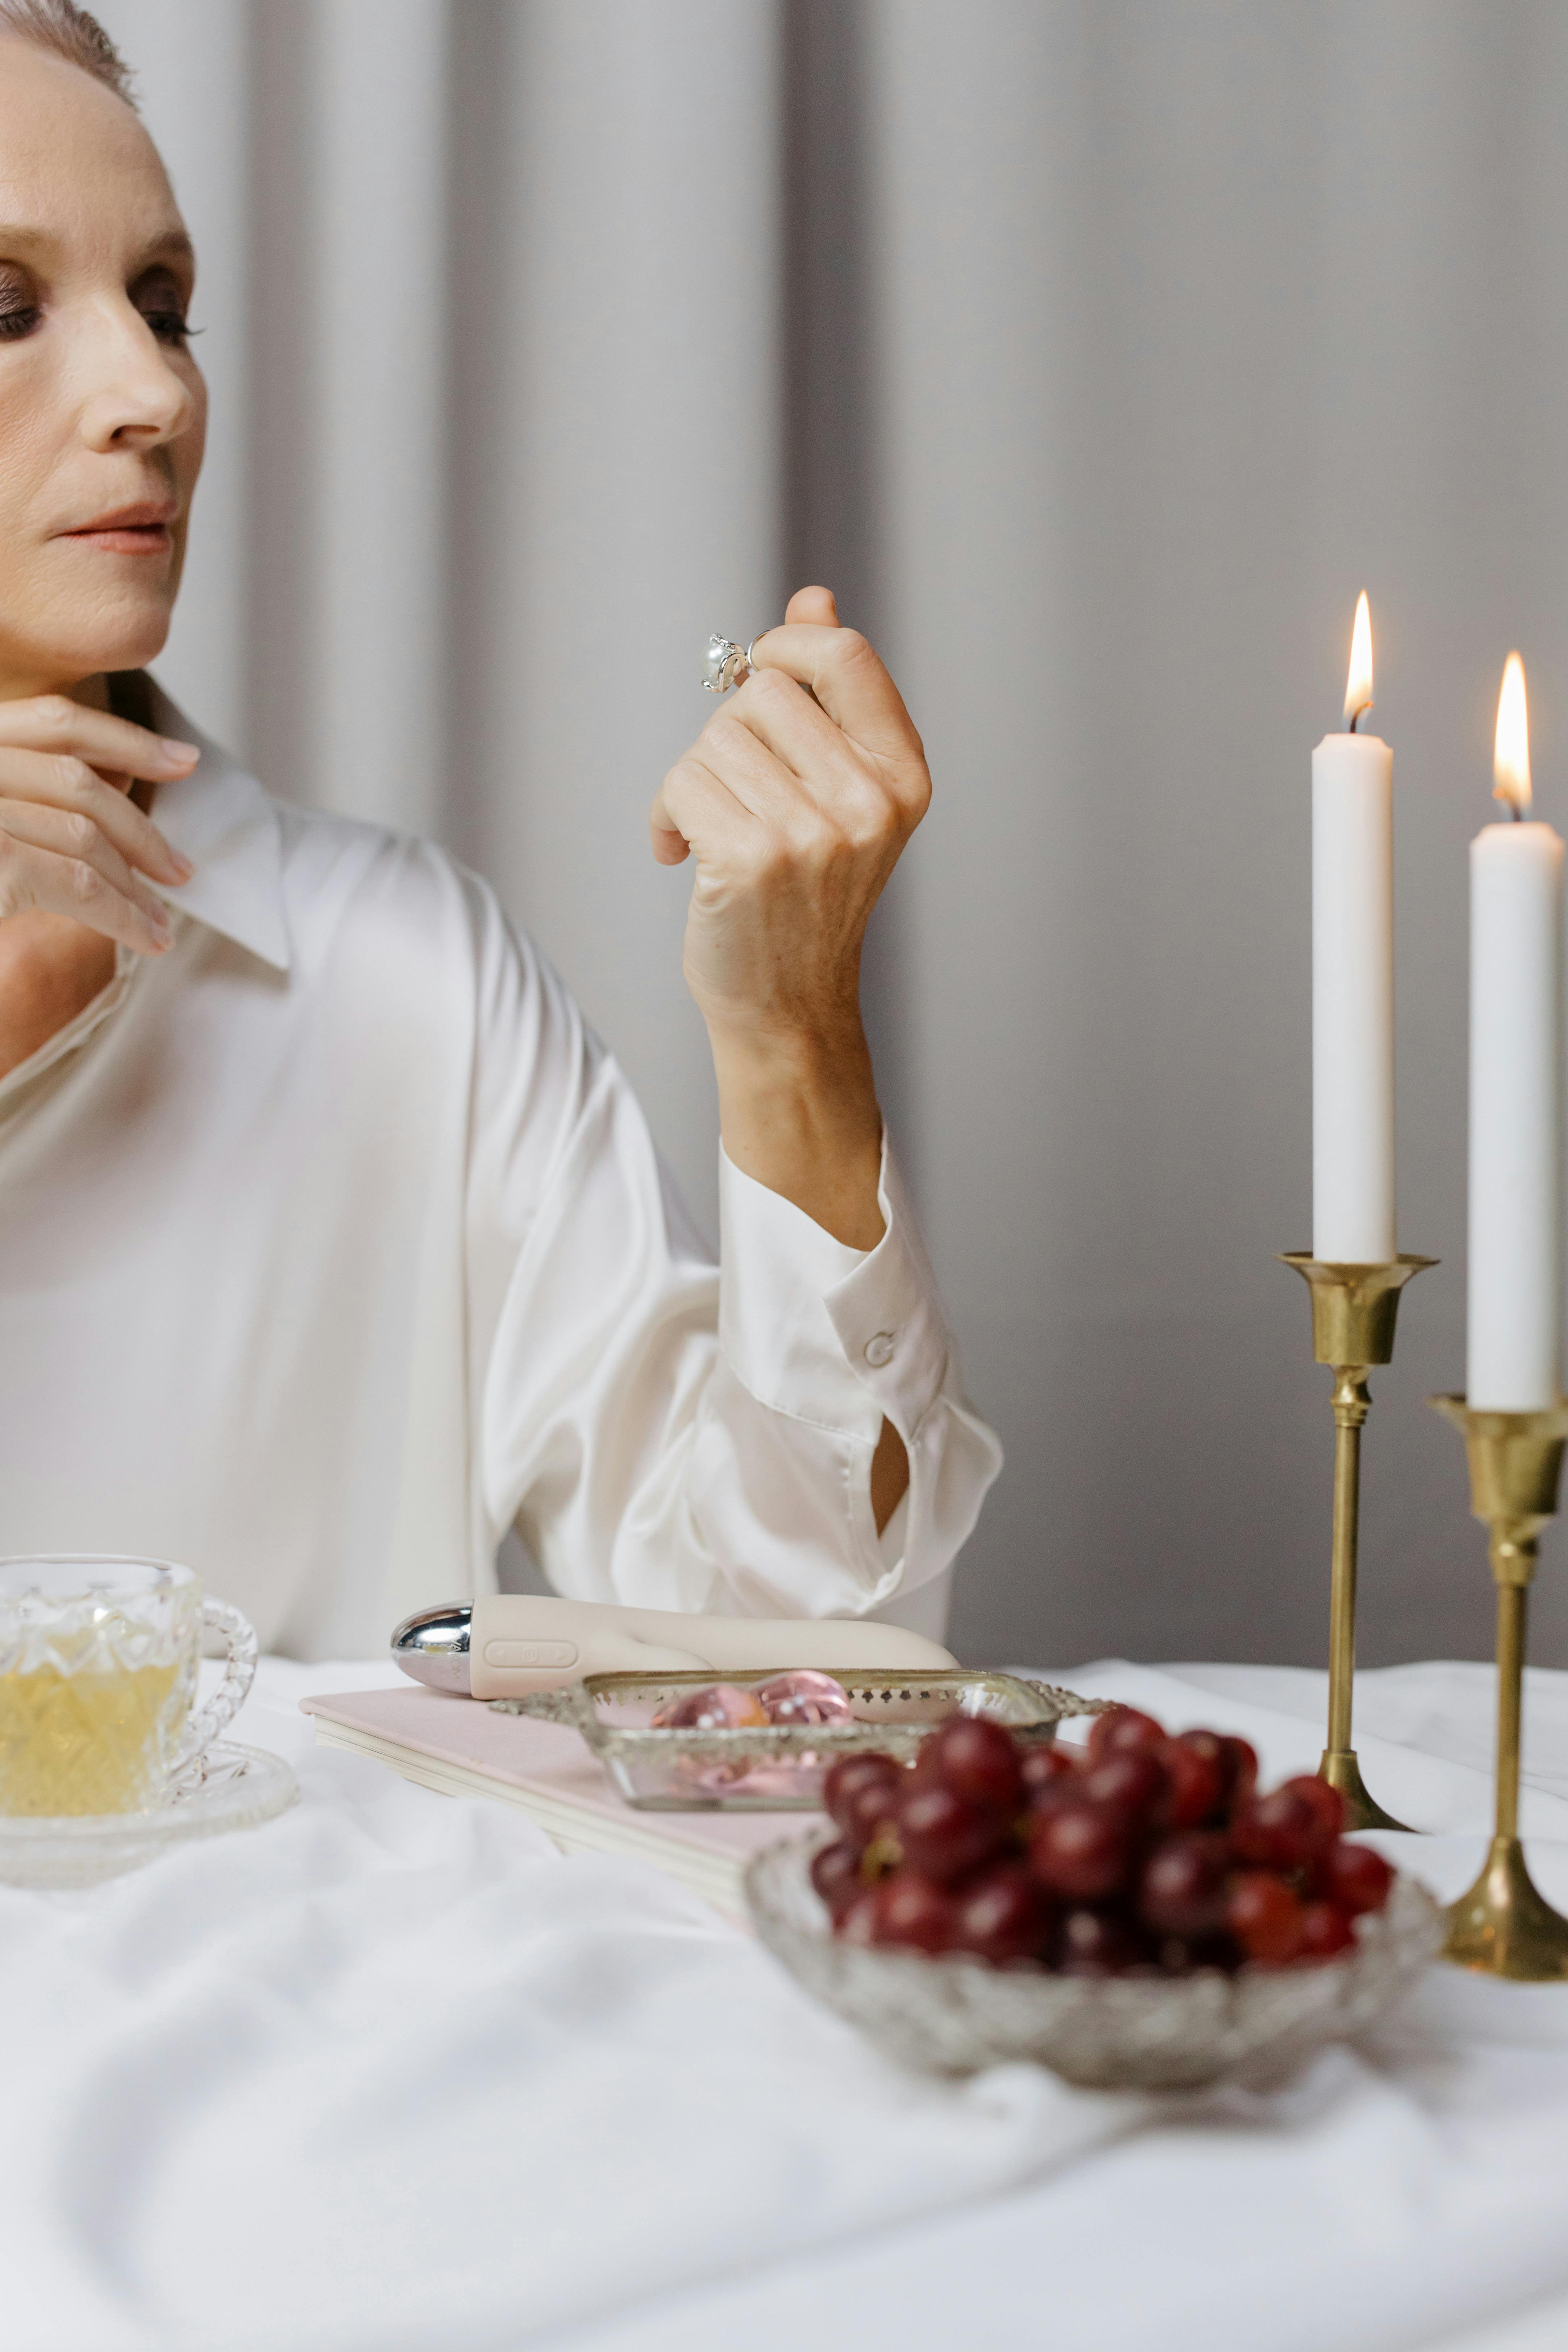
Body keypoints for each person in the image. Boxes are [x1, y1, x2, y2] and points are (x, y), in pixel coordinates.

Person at [0, 4, 1001, 1657]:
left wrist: (788, 1038)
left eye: (166, 305)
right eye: (9, 305)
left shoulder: (406, 976)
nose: (151, 391)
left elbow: (808, 1651)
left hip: (292, 1922)